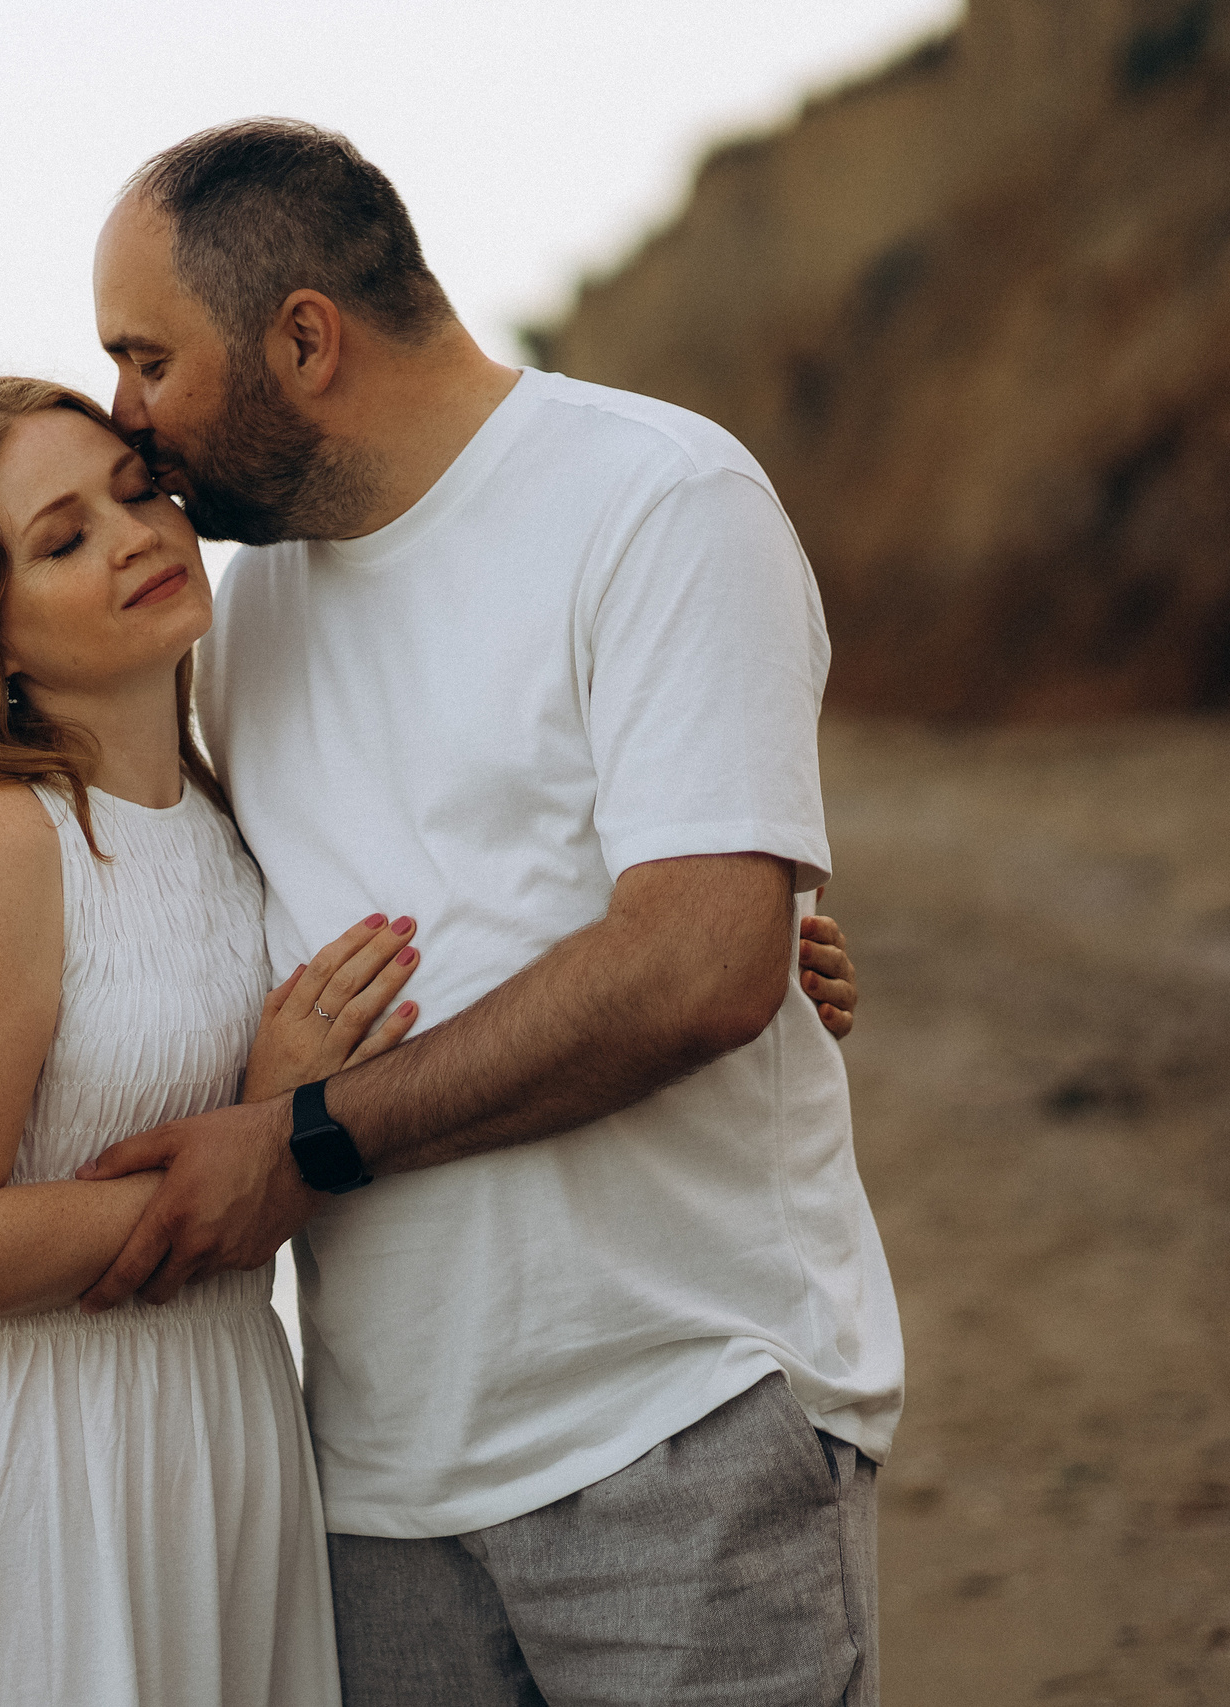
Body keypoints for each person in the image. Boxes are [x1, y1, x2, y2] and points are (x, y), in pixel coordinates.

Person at [0, 374, 865, 1705]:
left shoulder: (226, 800)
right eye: (63, 539)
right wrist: (261, 1140)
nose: (136, 535)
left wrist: (749, 936)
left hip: (225, 1441)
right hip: (41, 1471)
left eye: (136, 492)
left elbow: (463, 906)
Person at [72, 120, 902, 1706]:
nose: (127, 418)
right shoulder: (246, 621)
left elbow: (702, 966)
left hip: (679, 1428)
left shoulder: (656, 501)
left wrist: (312, 1139)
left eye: (146, 357)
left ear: (303, 338)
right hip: (379, 1489)